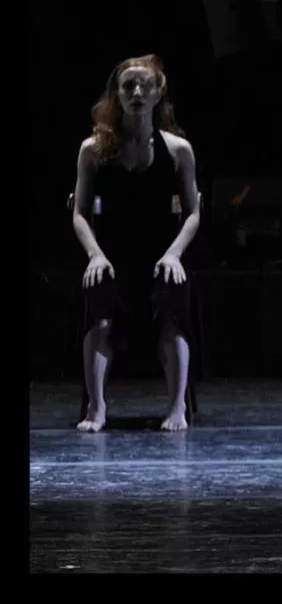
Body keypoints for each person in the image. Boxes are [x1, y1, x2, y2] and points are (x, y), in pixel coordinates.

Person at [71, 54, 200, 433]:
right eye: (128, 86)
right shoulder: (93, 150)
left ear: (159, 93)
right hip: (112, 256)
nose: (137, 92)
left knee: (172, 304)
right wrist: (95, 254)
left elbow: (194, 212)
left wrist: (174, 254)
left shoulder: (178, 150)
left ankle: (176, 408)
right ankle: (97, 407)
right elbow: (78, 212)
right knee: (102, 306)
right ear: (117, 95)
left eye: (145, 85)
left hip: (161, 255)